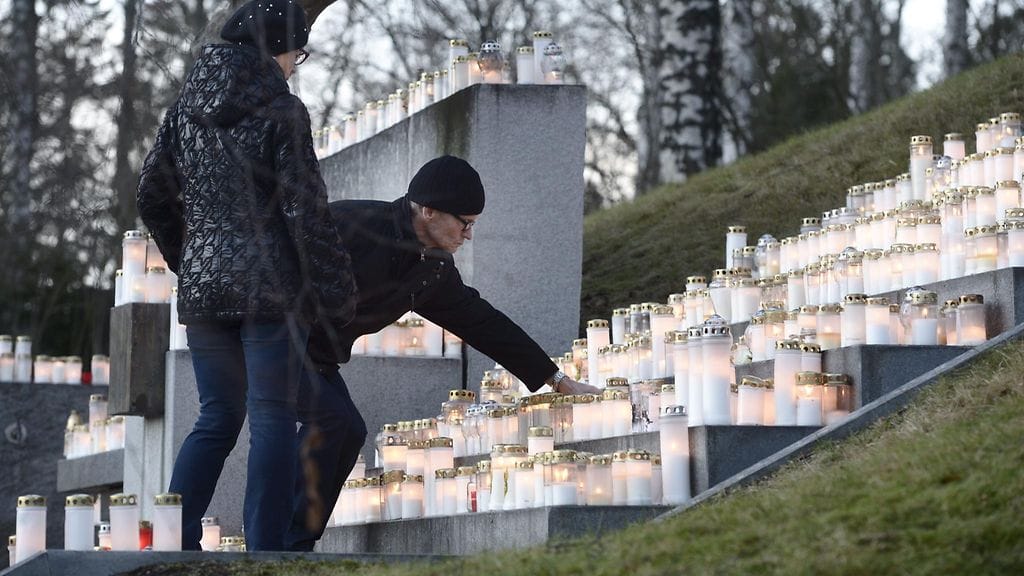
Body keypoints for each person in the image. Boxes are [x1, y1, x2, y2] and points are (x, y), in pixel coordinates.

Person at [285, 155, 599, 550]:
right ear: (428, 210)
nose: (469, 235)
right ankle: (283, 539)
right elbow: (276, 252)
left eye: (473, 224)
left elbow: (481, 322)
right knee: (331, 421)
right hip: (271, 338)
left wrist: (556, 379)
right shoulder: (350, 223)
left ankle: (295, 541)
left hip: (317, 358)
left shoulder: (430, 268)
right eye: (464, 223)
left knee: (349, 430)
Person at [136, 0, 356, 551]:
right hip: (269, 289)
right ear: (274, 49)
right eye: (295, 53)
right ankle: (266, 552)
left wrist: (193, 257)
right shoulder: (283, 110)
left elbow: (151, 195)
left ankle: (173, 540)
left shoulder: (184, 110)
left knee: (216, 417)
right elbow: (305, 212)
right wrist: (334, 293)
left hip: (205, 292)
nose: (293, 65)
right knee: (273, 416)